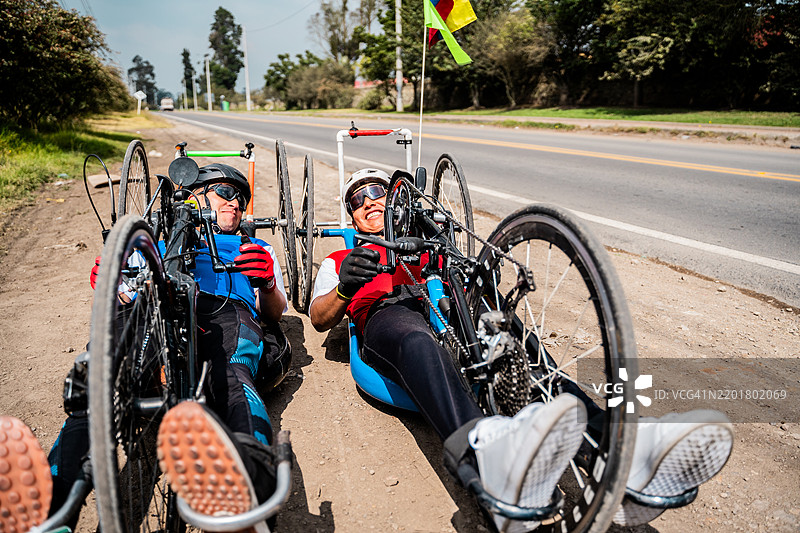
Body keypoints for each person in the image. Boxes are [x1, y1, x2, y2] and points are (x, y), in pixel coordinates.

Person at [308, 168, 734, 532]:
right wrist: (346, 284)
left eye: (378, 192)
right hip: (386, 313)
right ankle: (486, 459)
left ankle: (618, 446)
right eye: (358, 199)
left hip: (444, 303)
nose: (369, 201)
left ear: (397, 200)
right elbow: (320, 317)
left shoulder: (429, 245)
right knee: (416, 339)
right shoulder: (341, 257)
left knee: (513, 337)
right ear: (351, 214)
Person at [0, 163, 288, 532]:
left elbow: (275, 312)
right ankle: (50, 508)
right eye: (224, 192)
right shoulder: (151, 244)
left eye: (241, 198)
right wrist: (110, 278)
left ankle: (251, 485)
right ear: (194, 196)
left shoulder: (258, 247)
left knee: (233, 375)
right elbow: (121, 292)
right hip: (152, 305)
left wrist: (265, 282)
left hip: (227, 310)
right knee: (100, 388)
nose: (235, 203)